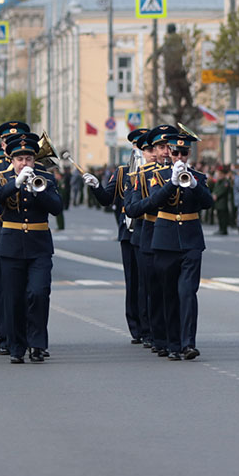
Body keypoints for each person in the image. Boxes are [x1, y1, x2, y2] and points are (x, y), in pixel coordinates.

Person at [126, 130, 214, 361]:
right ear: (170, 154)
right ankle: (172, 343)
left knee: (187, 292)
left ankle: (188, 344)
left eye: (184, 153)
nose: (179, 157)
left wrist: (194, 184)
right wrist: (172, 182)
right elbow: (154, 200)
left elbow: (208, 202)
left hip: (191, 238)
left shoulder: (198, 176)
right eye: (175, 152)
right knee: (168, 294)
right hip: (164, 240)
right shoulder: (158, 175)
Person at [0, 132, 62, 364]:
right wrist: (16, 184)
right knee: (13, 299)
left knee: (38, 293)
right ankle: (17, 346)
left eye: (28, 158)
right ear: (11, 159)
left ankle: (38, 344)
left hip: (39, 245)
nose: (24, 163)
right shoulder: (1, 178)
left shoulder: (45, 179)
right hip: (10, 246)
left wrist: (37, 191)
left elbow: (57, 208)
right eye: (19, 158)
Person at [85, 127, 150, 346]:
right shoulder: (123, 172)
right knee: (133, 281)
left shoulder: (157, 171)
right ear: (133, 148)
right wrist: (96, 187)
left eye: (146, 146)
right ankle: (137, 328)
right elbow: (107, 199)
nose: (142, 150)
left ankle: (152, 326)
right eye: (139, 147)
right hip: (129, 232)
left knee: (150, 282)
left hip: (151, 231)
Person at [212, 165, 235, 235]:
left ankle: (224, 229)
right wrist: (213, 194)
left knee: (223, 217)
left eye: (219, 174)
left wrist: (216, 195)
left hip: (223, 202)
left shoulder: (225, 182)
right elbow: (215, 189)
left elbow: (223, 190)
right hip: (218, 202)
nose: (218, 175)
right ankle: (220, 228)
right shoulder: (218, 182)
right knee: (219, 216)